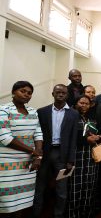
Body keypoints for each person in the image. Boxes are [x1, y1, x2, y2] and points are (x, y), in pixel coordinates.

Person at [33, 84, 79, 218]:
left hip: (62, 156)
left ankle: (58, 215)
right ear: (52, 93)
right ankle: (36, 213)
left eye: (63, 93)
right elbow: (37, 134)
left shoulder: (73, 113)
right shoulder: (41, 112)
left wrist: (71, 160)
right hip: (44, 154)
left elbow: (73, 138)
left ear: (67, 95)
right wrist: (37, 155)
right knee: (39, 187)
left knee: (62, 189)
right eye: (57, 92)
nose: (60, 94)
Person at [0, 81, 43, 216]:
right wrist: (33, 151)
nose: (26, 95)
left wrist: (37, 156)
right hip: (7, 163)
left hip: (28, 164)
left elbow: (38, 133)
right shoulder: (4, 110)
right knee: (6, 202)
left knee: (22, 201)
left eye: (29, 93)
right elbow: (5, 137)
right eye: (22, 91)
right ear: (13, 92)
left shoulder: (32, 111)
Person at [68, 95, 100, 217]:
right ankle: (73, 214)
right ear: (76, 104)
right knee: (75, 187)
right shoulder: (70, 117)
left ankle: (86, 213)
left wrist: (96, 137)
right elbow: (69, 137)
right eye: (81, 103)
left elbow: (95, 134)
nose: (84, 105)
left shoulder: (92, 119)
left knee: (89, 187)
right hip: (76, 157)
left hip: (91, 158)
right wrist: (86, 139)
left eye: (87, 103)